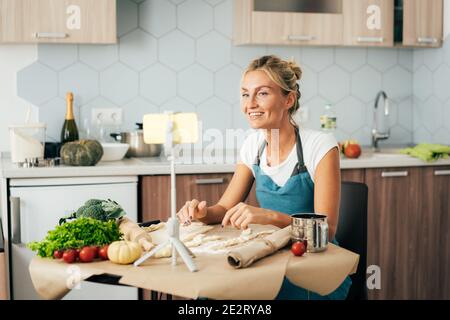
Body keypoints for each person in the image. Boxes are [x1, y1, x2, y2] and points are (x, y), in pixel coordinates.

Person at [177, 55, 351, 300]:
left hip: (314, 265)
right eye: (245, 94)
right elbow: (224, 207)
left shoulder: (319, 146)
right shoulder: (253, 146)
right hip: (272, 255)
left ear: (288, 99)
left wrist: (268, 217)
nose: (251, 104)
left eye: (262, 93)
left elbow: (326, 231)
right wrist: (203, 214)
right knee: (210, 293)